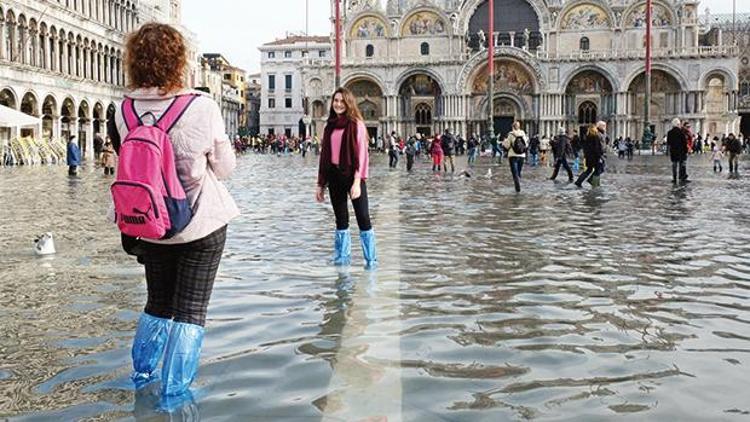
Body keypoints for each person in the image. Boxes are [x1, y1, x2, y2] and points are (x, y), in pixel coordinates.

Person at [108, 23, 239, 407]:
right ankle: (174, 397)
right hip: (199, 225)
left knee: (157, 303)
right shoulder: (201, 105)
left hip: (149, 225)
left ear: (134, 62)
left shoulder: (123, 110)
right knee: (190, 312)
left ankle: (142, 378)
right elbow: (226, 167)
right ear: (179, 61)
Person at [315, 87, 378, 269]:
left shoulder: (356, 124)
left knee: (363, 218)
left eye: (342, 101)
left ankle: (371, 261)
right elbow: (324, 156)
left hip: (353, 176)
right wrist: (320, 185)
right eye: (336, 101)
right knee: (341, 220)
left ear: (349, 103)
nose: (338, 104)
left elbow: (362, 154)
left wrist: (357, 181)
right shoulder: (330, 126)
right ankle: (342, 260)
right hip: (334, 176)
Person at [574, 123, 604, 188]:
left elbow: (585, 148)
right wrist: (600, 155)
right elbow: (597, 148)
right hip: (595, 157)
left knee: (589, 170)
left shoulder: (587, 137)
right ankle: (593, 182)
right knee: (598, 169)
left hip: (588, 157)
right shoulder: (595, 137)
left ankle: (579, 181)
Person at [502, 121, 528, 193]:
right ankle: (520, 185)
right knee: (519, 172)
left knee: (515, 174)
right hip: (522, 156)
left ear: (513, 127)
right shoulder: (523, 134)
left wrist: (504, 143)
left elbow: (507, 146)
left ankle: (518, 190)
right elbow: (526, 145)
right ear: (519, 127)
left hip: (513, 156)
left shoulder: (511, 134)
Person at [667, 118, 689, 183]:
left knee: (674, 165)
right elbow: (684, 143)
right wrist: (686, 151)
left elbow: (668, 143)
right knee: (681, 164)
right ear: (678, 124)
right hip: (681, 151)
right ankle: (680, 177)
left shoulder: (669, 133)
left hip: (673, 151)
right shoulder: (681, 132)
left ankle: (674, 178)